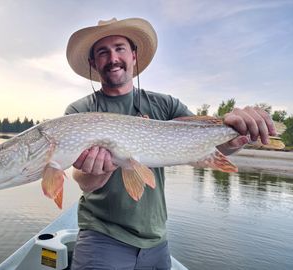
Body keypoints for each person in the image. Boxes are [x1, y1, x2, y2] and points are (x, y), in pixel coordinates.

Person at [64, 18, 276, 269]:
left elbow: (211, 144)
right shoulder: (81, 111)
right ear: (93, 62)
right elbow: (83, 181)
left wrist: (241, 132)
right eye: (103, 52)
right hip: (102, 239)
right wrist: (102, 169)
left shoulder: (164, 105)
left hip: (157, 240)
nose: (113, 58)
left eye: (119, 48)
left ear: (133, 55)